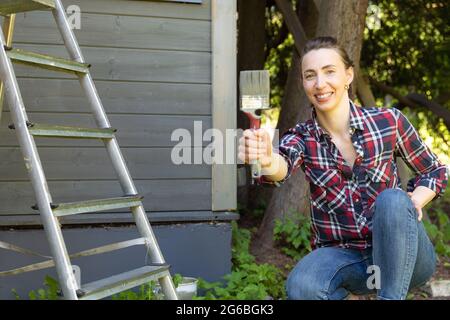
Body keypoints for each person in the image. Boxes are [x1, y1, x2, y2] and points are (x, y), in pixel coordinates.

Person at [238, 36, 448, 300]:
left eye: (329, 72)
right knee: (303, 286)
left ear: (348, 75)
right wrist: (267, 158)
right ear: (303, 83)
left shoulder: (388, 122)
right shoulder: (302, 137)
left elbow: (435, 171)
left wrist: (413, 201)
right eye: (310, 75)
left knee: (393, 200)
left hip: (405, 254)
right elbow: (280, 166)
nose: (320, 83)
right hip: (346, 259)